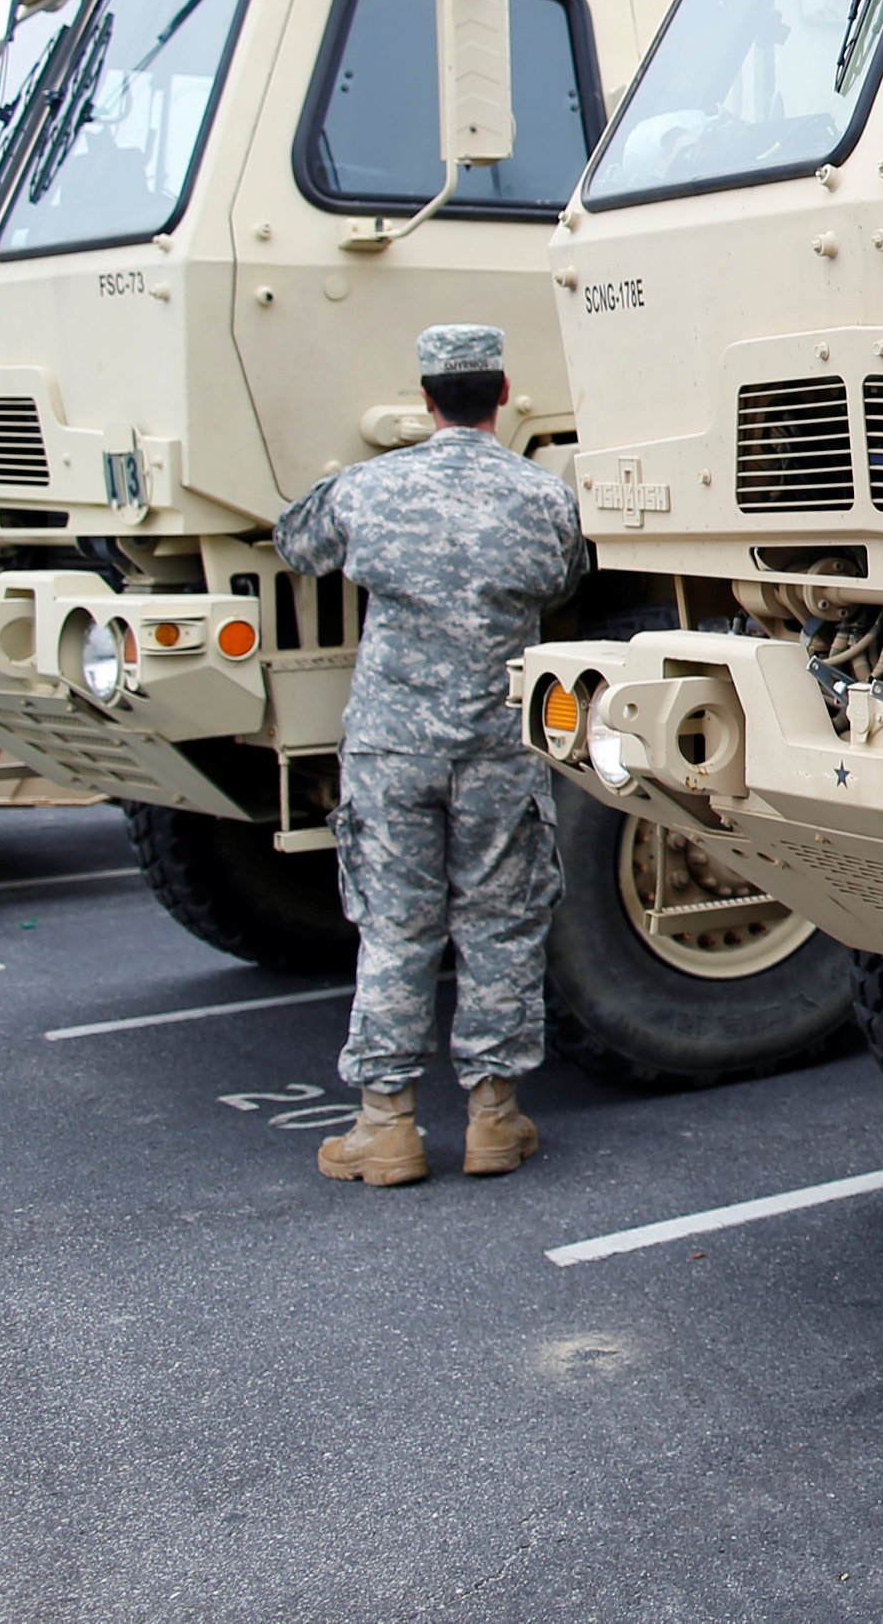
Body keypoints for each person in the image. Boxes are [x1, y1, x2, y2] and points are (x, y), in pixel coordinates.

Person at [278, 324, 587, 1186]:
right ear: (502, 393)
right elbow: (565, 580)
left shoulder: (370, 488)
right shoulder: (542, 497)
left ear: (424, 398)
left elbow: (294, 543)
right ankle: (494, 1118)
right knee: (499, 923)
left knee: (395, 929)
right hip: (497, 742)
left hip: (391, 745)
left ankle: (387, 1125)